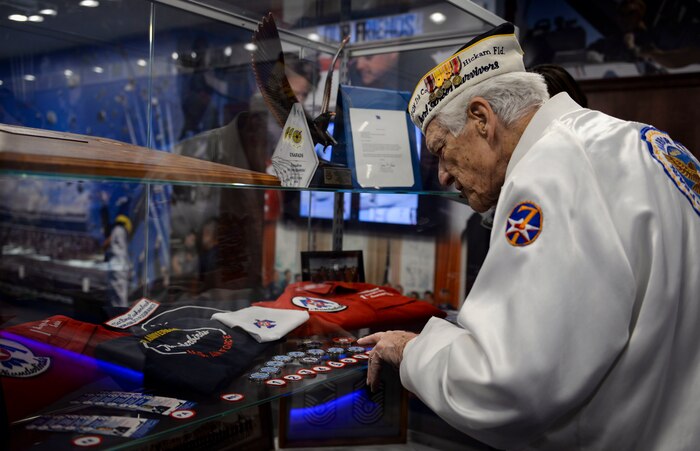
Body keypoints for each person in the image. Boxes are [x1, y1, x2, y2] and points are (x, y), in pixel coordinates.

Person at [358, 22, 700, 450]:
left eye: (441, 149)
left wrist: (411, 352)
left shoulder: (550, 169)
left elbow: (505, 384)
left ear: (481, 119)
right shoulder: (644, 142)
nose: (443, 175)